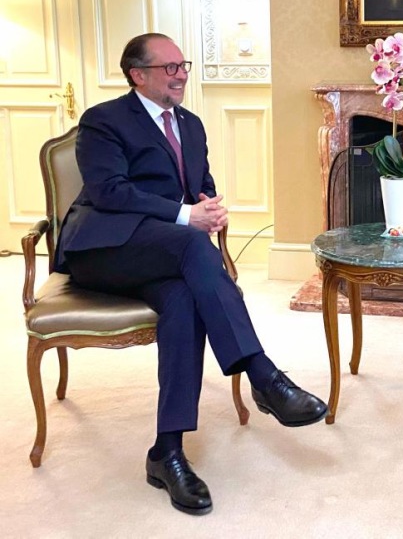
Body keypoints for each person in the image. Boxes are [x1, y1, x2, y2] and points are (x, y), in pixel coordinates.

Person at [55, 33, 328, 516]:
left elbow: (199, 186)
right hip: (104, 250)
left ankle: (167, 451)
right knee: (190, 244)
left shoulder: (192, 124)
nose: (181, 74)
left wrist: (208, 205)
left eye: (183, 65)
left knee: (183, 299)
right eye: (170, 67)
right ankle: (262, 374)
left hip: (164, 255)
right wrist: (186, 217)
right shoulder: (104, 120)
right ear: (138, 75)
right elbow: (109, 192)